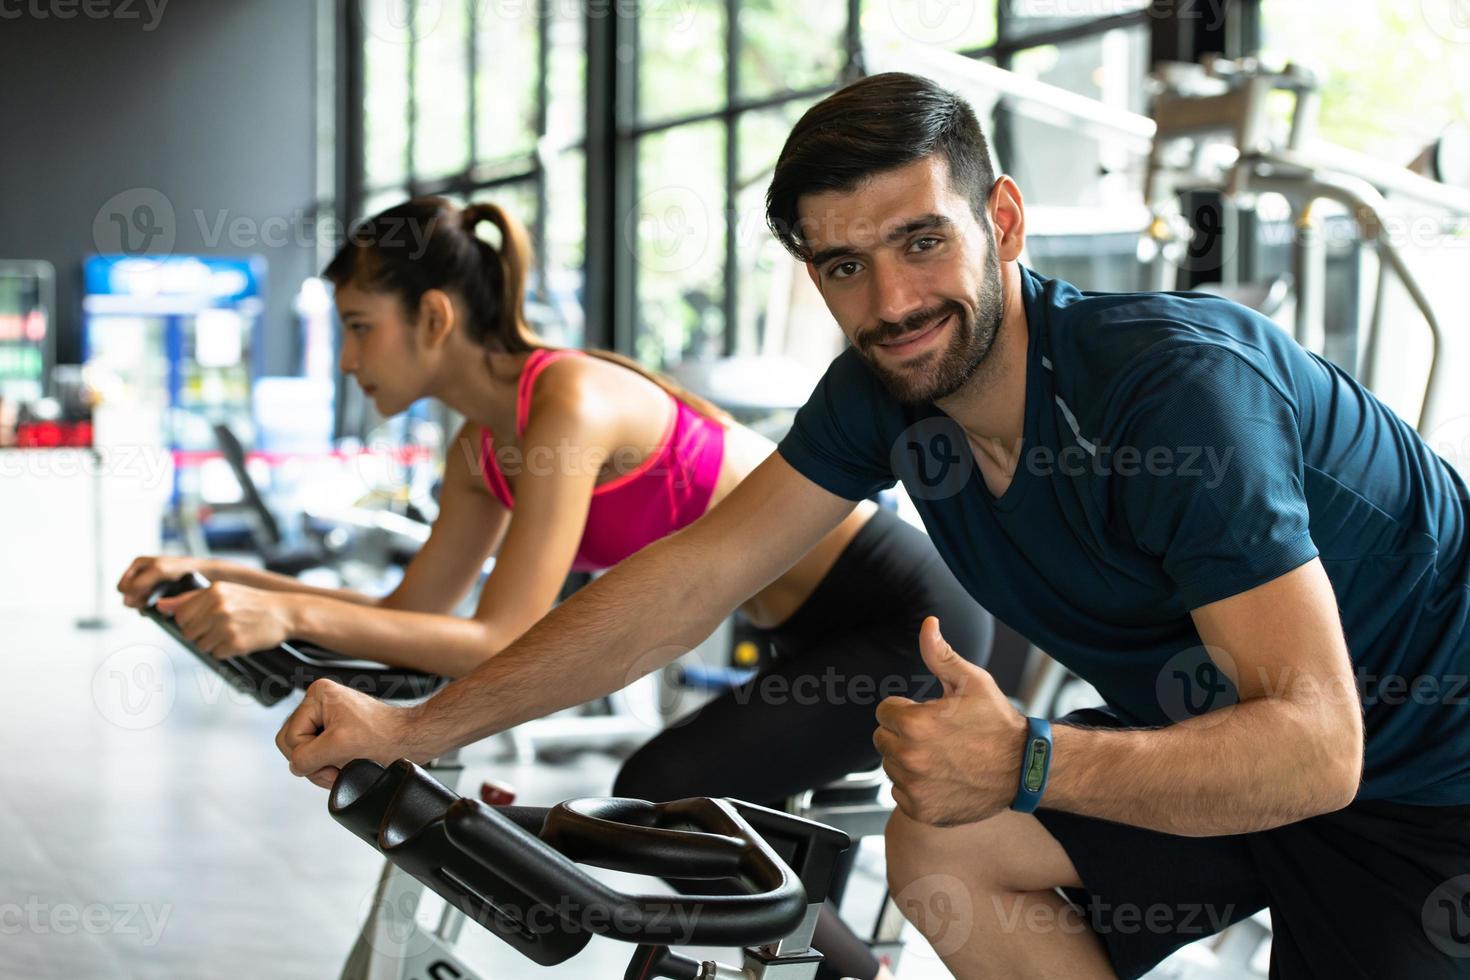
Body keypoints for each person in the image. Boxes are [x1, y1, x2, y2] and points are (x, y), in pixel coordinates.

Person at [278, 72, 1470, 979]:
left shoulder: (1175, 390)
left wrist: (1034, 756)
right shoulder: (885, 392)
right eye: (844, 266)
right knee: (949, 842)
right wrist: (419, 719)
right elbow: (694, 576)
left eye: (921, 242)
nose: (892, 302)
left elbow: (1319, 748)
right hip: (1225, 749)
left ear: (1001, 219)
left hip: (1428, 785)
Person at [119, 196, 991, 980]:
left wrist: (289, 607)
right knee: (691, 812)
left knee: (663, 787)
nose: (347, 359)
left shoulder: (567, 399)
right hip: (803, 634)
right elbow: (410, 617)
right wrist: (221, 581)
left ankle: (851, 975)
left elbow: (501, 634)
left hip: (901, 620)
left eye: (358, 327)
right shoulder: (476, 451)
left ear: (432, 317)